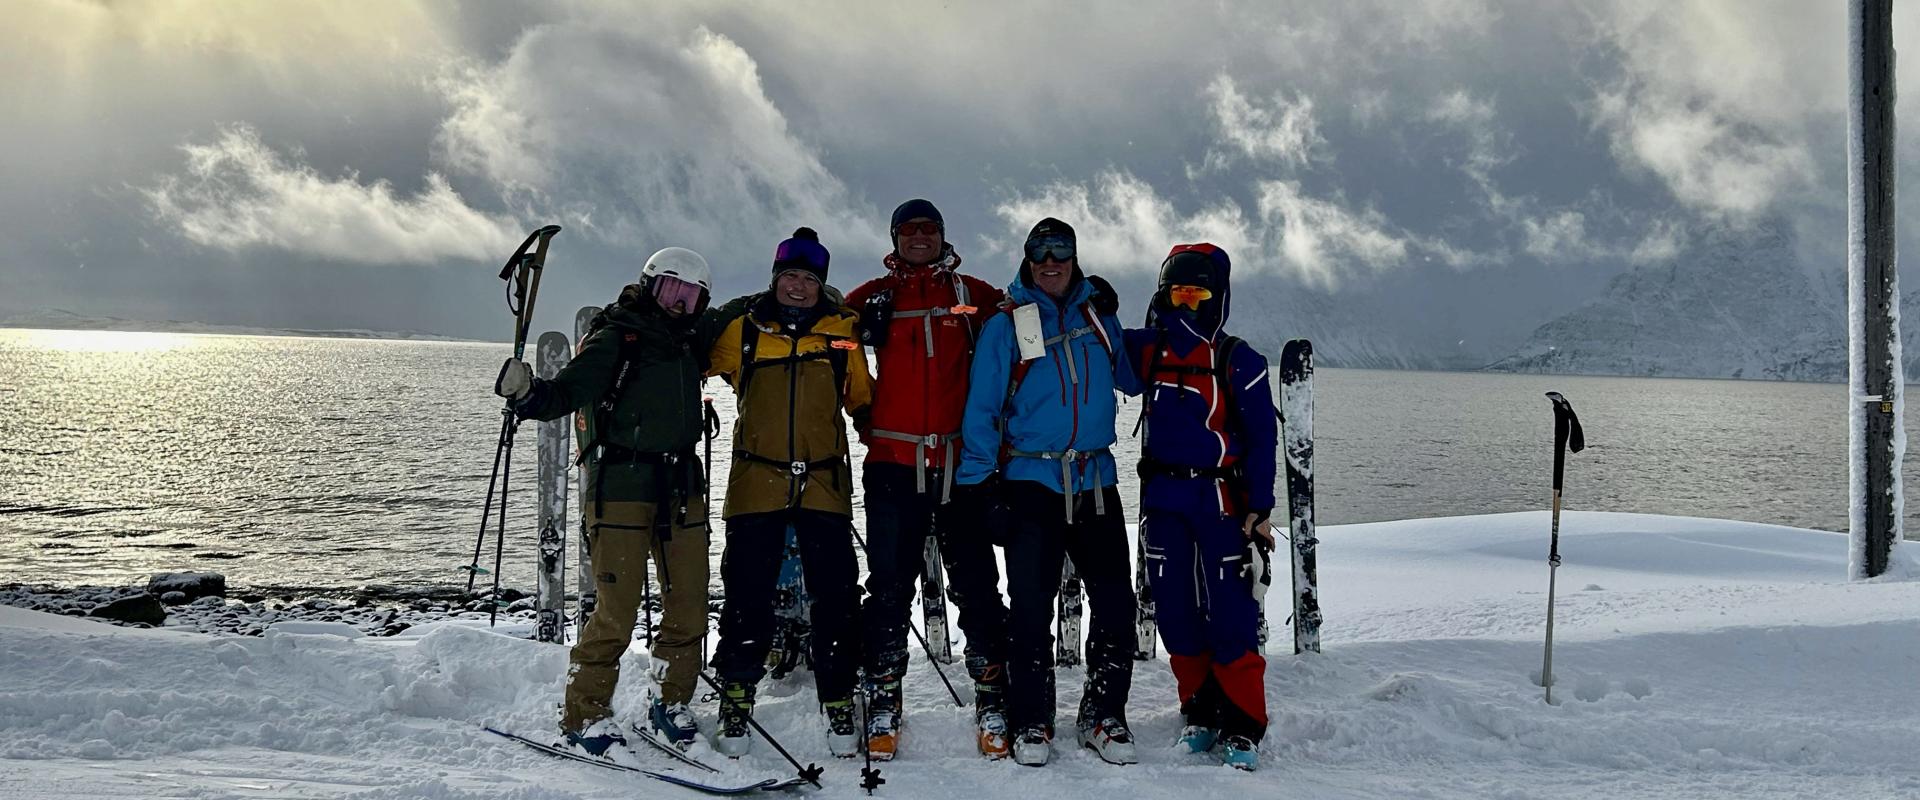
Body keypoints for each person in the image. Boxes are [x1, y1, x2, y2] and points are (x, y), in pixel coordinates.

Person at [493, 247, 740, 756]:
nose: (679, 303)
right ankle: (585, 711)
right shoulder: (617, 336)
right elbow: (565, 393)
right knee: (616, 611)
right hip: (622, 488)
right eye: (672, 290)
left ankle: (670, 700)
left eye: (691, 295)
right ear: (650, 286)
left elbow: (744, 311)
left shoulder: (691, 342)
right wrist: (526, 394)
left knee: (689, 607)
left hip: (681, 487)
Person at [954, 217, 1141, 767]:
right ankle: (1031, 718)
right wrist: (977, 486)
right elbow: (983, 410)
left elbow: (1131, 376)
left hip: (1096, 481)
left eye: (1061, 251)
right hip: (1031, 481)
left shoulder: (1097, 315)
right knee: (1032, 607)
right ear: (1028, 260)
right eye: (1040, 252)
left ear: (1075, 257)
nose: (1050, 261)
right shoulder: (1010, 323)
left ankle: (1103, 715)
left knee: (1115, 603)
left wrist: (1126, 313)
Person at [844, 199, 1011, 760]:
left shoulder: (973, 295)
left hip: (961, 468)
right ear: (894, 237)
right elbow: (827, 340)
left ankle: (992, 695)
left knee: (977, 587)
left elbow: (1027, 326)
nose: (921, 236)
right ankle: (884, 697)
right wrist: (863, 416)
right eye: (910, 229)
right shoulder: (872, 298)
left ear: (944, 235)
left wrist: (1099, 299)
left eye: (930, 228)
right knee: (889, 588)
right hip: (893, 464)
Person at [705, 227, 874, 759]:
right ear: (774, 279)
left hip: (823, 482)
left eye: (807, 278)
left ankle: (838, 693)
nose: (798, 287)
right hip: (757, 482)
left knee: (837, 597)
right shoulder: (743, 329)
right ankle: (736, 692)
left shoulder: (841, 331)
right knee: (746, 596)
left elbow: (861, 397)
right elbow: (690, 361)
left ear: (821, 283)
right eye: (789, 277)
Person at [1121, 243, 1277, 771]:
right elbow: (1105, 359)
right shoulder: (1150, 349)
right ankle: (1200, 711)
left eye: (1198, 292)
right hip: (1163, 499)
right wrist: (1093, 303)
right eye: (1177, 291)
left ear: (1217, 296)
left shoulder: (1239, 359)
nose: (1186, 303)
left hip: (1220, 502)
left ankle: (1244, 724)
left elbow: (1261, 438)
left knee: (1232, 611)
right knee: (1175, 611)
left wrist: (1259, 506)